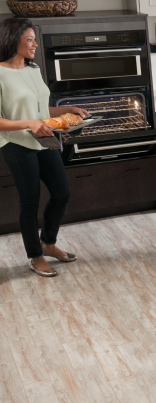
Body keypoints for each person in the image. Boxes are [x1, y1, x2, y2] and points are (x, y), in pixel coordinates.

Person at [0, 18, 87, 277]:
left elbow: (39, 109)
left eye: (34, 39)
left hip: (45, 139)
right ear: (12, 40)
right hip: (17, 144)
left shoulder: (33, 68)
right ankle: (35, 256)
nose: (35, 44)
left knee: (62, 194)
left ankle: (48, 243)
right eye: (29, 39)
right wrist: (29, 123)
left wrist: (68, 109)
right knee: (30, 203)